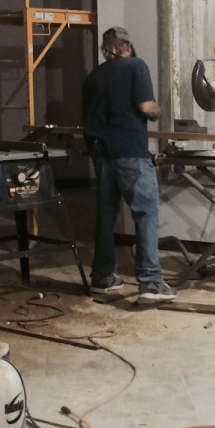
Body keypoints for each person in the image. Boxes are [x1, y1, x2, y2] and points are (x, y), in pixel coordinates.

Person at [81, 27, 176, 304]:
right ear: (127, 46)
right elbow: (146, 107)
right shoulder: (136, 66)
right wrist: (158, 111)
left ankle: (102, 278)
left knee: (106, 216)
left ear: (106, 48)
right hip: (130, 153)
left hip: (101, 155)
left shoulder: (93, 77)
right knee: (145, 213)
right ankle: (151, 283)